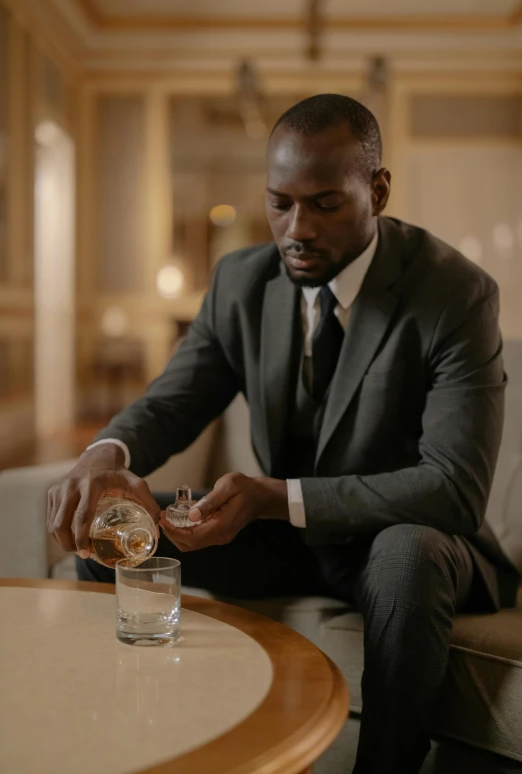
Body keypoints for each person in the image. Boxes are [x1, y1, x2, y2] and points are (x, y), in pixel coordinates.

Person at [47, 94, 520, 774]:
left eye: (325, 203)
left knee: (406, 553)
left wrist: (275, 498)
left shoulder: (454, 293)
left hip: (414, 547)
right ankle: (138, 745)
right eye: (279, 202)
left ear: (377, 191)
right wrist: (104, 455)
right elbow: (173, 401)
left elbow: (452, 489)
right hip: (298, 542)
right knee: (110, 535)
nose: (296, 228)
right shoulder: (241, 281)